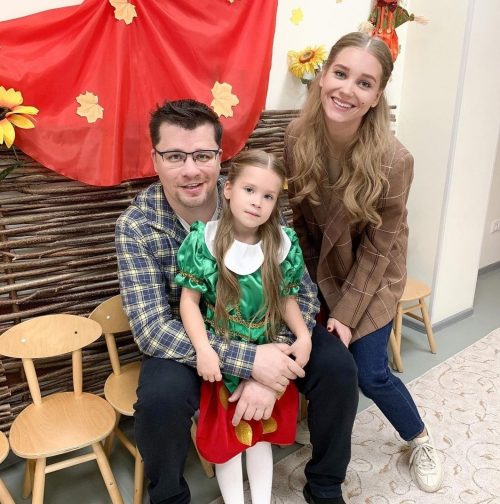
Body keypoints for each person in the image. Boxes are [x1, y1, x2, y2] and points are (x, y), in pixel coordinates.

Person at [115, 98, 359, 504]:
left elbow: (299, 292)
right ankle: (170, 498)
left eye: (202, 155)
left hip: (267, 327)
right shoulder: (137, 226)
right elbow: (152, 329)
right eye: (175, 156)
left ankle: (325, 485)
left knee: (337, 367)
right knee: (159, 401)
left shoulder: (252, 197)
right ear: (155, 159)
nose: (191, 170)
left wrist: (273, 362)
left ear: (219, 158)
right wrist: (247, 362)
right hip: (191, 342)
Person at [284, 31, 444, 494]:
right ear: (322, 76)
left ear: (376, 97)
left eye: (364, 83)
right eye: (340, 74)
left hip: (375, 272)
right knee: (316, 353)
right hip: (321, 266)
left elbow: (379, 248)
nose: (347, 90)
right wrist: (310, 289)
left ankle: (419, 438)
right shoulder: (296, 137)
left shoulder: (394, 159)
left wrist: (348, 314)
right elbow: (301, 221)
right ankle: (320, 420)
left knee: (369, 371)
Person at [175, 149, 312, 504]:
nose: (257, 202)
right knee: (229, 442)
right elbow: (188, 303)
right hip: (225, 360)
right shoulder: (203, 242)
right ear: (228, 189)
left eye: (268, 196)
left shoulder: (281, 245)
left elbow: (287, 299)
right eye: (250, 190)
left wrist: (303, 335)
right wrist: (204, 350)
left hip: (267, 356)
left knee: (259, 437)